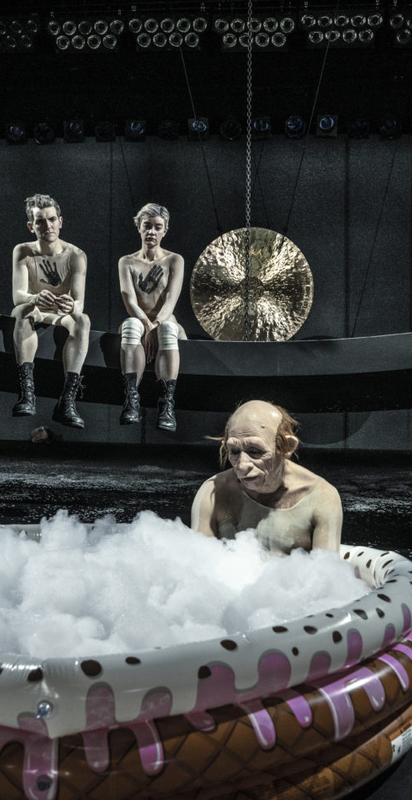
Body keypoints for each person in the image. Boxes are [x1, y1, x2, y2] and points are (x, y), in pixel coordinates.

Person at [191, 400, 343, 555]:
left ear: (287, 447)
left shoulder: (321, 497)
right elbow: (197, 563)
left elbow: (326, 569)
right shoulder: (213, 492)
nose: (241, 466)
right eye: (234, 451)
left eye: (255, 451)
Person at [10, 194, 90, 429]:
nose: (48, 226)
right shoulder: (23, 251)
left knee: (82, 320)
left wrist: (71, 305)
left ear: (60, 221)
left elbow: (80, 302)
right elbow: (18, 296)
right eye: (40, 221)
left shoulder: (76, 255)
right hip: (34, 310)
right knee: (22, 311)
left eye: (52, 219)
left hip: (60, 314)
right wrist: (34, 297)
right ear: (31, 226)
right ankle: (27, 394)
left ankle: (67, 401)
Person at [117, 203, 186, 432]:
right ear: (138, 226)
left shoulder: (174, 260)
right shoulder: (126, 262)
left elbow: (171, 300)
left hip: (165, 321)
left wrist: (155, 324)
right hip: (139, 321)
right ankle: (131, 400)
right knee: (131, 324)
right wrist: (147, 325)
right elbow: (130, 301)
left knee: (167, 328)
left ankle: (167, 405)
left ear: (165, 230)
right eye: (147, 226)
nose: (151, 232)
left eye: (157, 227)